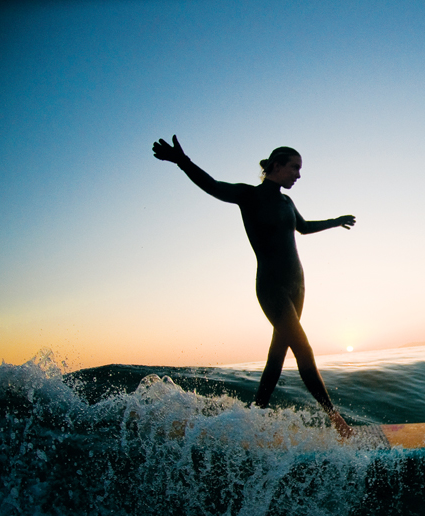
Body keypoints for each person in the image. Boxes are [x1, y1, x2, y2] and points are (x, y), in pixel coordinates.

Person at [152, 135, 354, 438]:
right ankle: (334, 417)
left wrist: (335, 220)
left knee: (277, 355)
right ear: (276, 166)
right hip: (271, 286)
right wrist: (182, 161)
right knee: (303, 347)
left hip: (297, 285)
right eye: (294, 168)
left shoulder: (287, 201)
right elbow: (212, 185)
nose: (299, 174)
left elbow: (303, 227)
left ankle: (254, 415)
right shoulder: (250, 196)